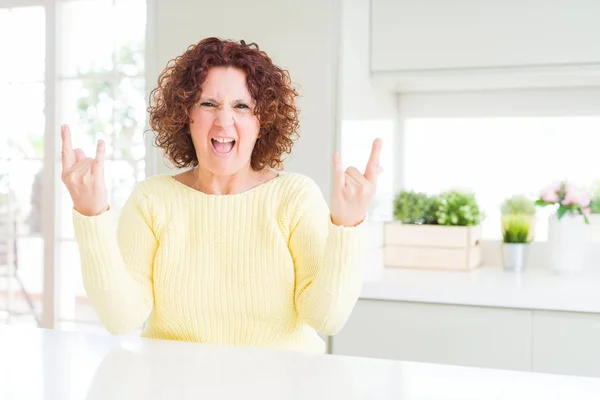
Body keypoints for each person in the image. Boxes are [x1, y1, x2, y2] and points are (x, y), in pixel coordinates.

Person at [60, 37, 382, 354]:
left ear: (262, 121)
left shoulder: (294, 198)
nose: (224, 121)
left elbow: (326, 318)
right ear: (187, 115)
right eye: (208, 104)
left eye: (241, 106)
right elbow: (120, 318)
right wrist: (91, 214)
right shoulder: (152, 200)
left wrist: (348, 224)